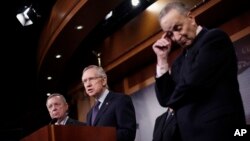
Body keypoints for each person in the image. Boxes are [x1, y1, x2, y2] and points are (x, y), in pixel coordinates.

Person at [152, 1, 246, 141]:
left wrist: (171, 99)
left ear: (191, 17)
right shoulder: (178, 63)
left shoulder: (214, 38)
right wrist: (162, 59)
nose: (177, 37)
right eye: (170, 34)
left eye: (178, 28)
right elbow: (164, 99)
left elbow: (192, 84)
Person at [81, 65, 136, 141]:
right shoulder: (90, 114)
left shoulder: (120, 100)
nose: (88, 84)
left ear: (104, 80)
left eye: (91, 79)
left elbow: (128, 133)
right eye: (85, 81)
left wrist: (101, 137)